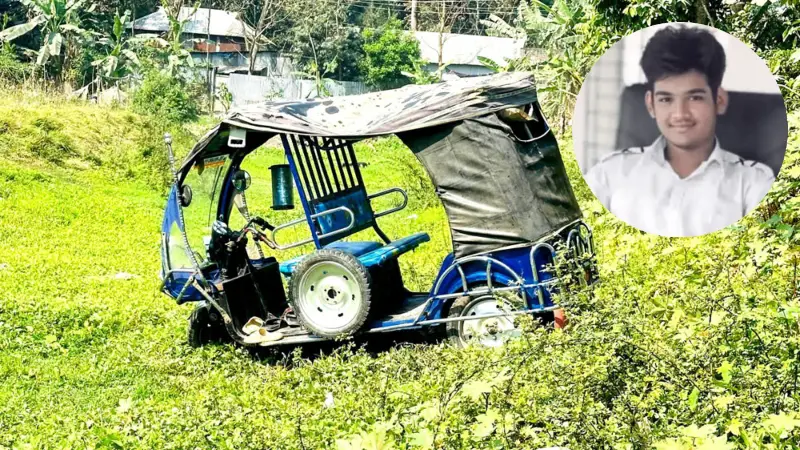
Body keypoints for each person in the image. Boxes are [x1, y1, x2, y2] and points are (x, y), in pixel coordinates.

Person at [584, 25, 775, 237]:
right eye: (666, 99)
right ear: (650, 104)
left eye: (694, 97)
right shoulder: (610, 174)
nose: (680, 113)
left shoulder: (752, 183)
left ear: (719, 100)